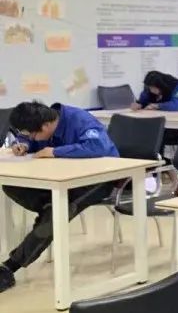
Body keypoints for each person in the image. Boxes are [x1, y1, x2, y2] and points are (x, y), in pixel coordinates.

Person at [0, 102, 119, 293]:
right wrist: (22, 144)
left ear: (46, 125)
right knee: (11, 185)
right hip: (64, 180)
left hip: (99, 180)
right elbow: (27, 138)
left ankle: (10, 266)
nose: (32, 137)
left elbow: (98, 147)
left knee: (56, 215)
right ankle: (50, 207)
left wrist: (55, 151)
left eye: (33, 135)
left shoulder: (79, 119)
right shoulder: (40, 122)